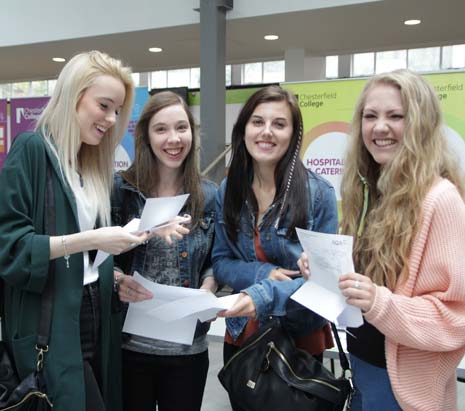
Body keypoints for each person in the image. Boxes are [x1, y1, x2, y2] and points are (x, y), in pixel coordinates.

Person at [297, 69, 465, 411]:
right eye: (370, 116)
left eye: (396, 116)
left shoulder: (440, 200)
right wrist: (324, 273)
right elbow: (363, 289)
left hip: (405, 389)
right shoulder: (368, 190)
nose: (379, 127)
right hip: (362, 370)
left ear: (421, 123)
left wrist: (378, 301)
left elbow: (455, 318)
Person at [0, 51, 146, 411]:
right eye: (104, 106)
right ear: (73, 96)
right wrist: (94, 239)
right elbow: (11, 248)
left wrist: (115, 276)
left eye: (118, 111)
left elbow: (83, 260)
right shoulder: (31, 150)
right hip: (49, 323)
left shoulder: (89, 165)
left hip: (95, 314)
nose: (112, 119)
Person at [212, 85, 338, 410]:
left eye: (279, 124)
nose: (266, 132)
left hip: (299, 338)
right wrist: (263, 273)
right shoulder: (228, 190)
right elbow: (222, 262)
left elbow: (325, 280)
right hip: (243, 337)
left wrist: (265, 293)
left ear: (294, 135)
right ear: (243, 131)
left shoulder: (318, 194)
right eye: (257, 122)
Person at [111, 90, 218, 411]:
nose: (173, 139)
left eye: (181, 128)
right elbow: (102, 256)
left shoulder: (209, 195)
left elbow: (217, 259)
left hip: (189, 350)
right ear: (145, 136)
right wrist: (117, 279)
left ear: (192, 133)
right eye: (161, 129)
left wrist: (209, 287)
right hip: (129, 349)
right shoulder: (122, 190)